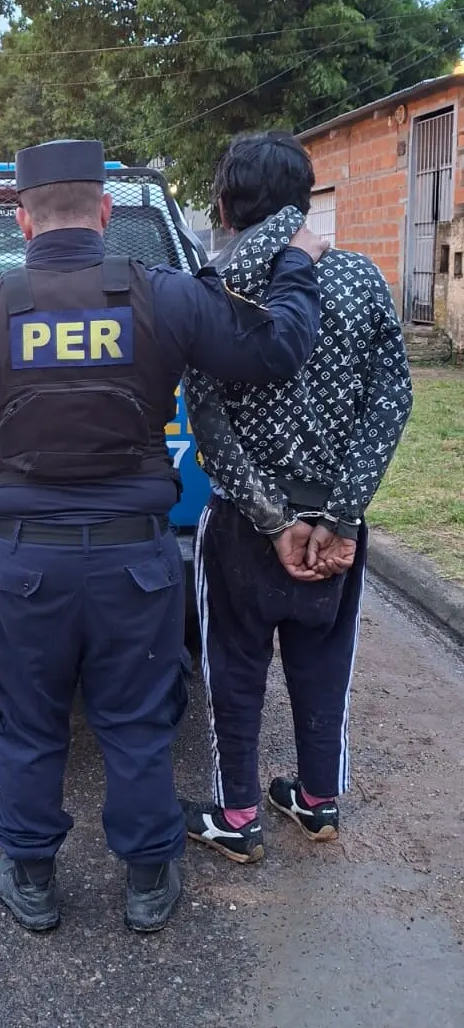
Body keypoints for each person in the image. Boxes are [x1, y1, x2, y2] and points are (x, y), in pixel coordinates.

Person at [0, 139, 325, 933]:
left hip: (22, 561)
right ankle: (146, 882)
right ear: (105, 214)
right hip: (135, 562)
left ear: (21, 222)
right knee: (137, 721)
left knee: (25, 720)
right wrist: (298, 261)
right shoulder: (162, 297)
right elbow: (278, 350)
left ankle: (31, 879)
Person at [183, 131, 413, 864]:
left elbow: (207, 416)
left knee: (234, 668)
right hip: (336, 527)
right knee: (325, 663)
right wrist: (338, 517)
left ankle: (239, 814)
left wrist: (275, 520)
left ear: (224, 204)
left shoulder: (214, 286)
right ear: (306, 197)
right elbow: (391, 402)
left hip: (245, 530)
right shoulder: (362, 279)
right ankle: (317, 801)